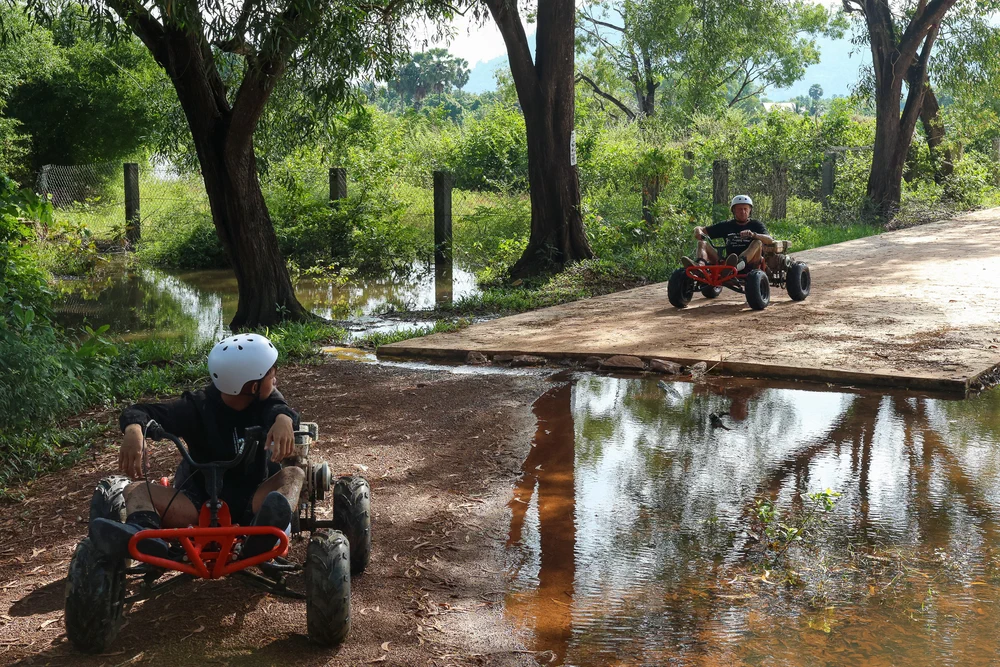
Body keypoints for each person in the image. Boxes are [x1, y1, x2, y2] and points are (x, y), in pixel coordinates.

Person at [88, 333, 305, 561]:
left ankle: (262, 536)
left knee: (293, 474)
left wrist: (284, 419)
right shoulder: (196, 406)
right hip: (196, 504)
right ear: (252, 386)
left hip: (253, 501)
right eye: (272, 375)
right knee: (135, 490)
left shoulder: (266, 402)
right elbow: (144, 411)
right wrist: (134, 429)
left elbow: (278, 405)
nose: (276, 381)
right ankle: (144, 536)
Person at [682, 195, 774, 272]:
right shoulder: (726, 225)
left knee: (757, 242)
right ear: (734, 210)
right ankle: (700, 268)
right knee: (702, 243)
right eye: (739, 209)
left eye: (745, 209)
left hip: (751, 263)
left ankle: (737, 264)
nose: (743, 212)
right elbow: (702, 229)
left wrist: (754, 235)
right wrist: (697, 230)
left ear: (750, 210)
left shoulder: (756, 225)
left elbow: (770, 240)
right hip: (728, 263)